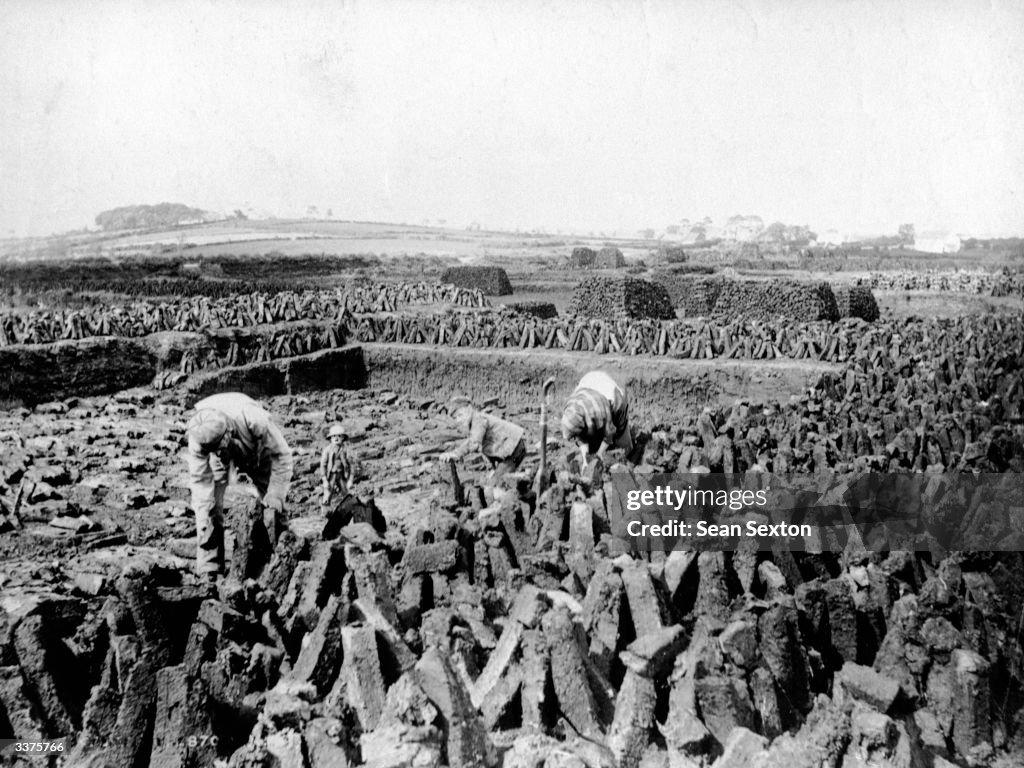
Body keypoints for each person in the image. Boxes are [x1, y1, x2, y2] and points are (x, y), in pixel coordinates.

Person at [186, 392, 293, 583]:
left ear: (227, 432)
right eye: (214, 450)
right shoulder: (199, 437)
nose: (218, 451)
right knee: (210, 508)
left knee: (275, 506)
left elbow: (282, 455)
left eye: (221, 445)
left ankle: (282, 557)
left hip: (257, 451)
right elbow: (200, 483)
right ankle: (209, 567)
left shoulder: (253, 417)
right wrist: (205, 520)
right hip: (225, 455)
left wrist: (276, 493)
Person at [439, 396, 527, 484]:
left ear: (469, 408)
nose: (459, 420)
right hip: (511, 448)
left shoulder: (478, 419)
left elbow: (474, 443)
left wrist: (456, 453)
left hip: (514, 448)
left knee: (497, 483)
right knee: (499, 479)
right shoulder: (474, 422)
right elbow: (488, 446)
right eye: (456, 418)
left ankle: (526, 489)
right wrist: (494, 469)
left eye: (460, 415)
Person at [561, 370, 633, 469]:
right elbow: (580, 436)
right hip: (589, 382)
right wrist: (586, 460)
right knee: (592, 445)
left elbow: (609, 434)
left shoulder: (602, 411)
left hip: (612, 396)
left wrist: (599, 454)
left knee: (623, 448)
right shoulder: (571, 409)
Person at [320, 424, 352, 508]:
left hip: (342, 474)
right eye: (334, 436)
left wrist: (350, 479)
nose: (336, 438)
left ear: (343, 438)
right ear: (330, 438)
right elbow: (323, 465)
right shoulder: (327, 450)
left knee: (345, 491)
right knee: (328, 491)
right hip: (331, 474)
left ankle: (348, 509)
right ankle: (325, 510)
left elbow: (350, 463)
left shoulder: (345, 449)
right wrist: (324, 479)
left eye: (339, 436)